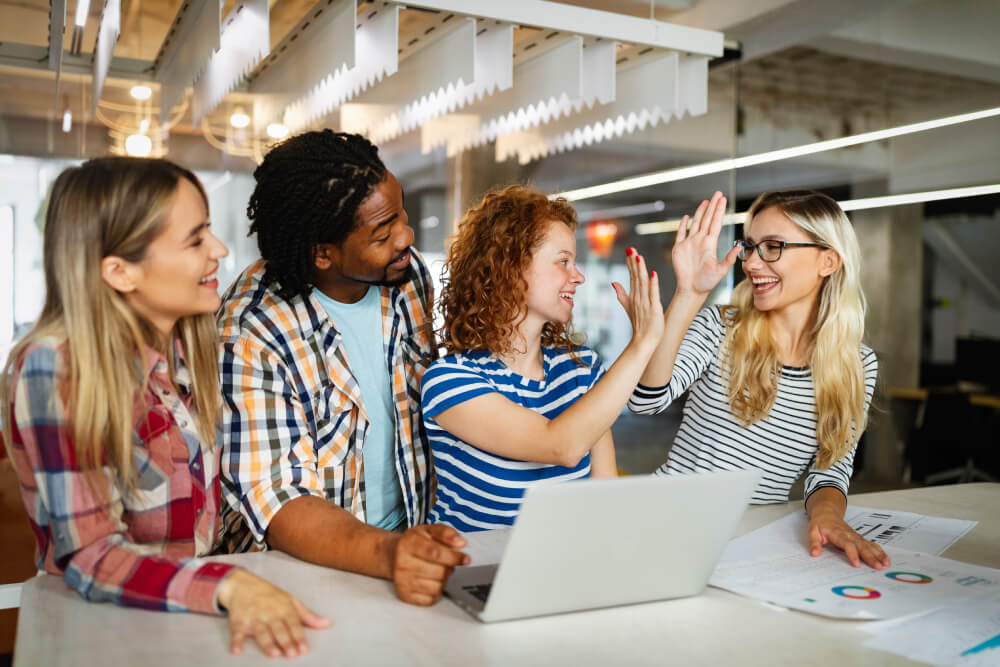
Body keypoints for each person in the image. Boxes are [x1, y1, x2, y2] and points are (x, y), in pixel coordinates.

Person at [0, 157, 329, 659]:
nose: (219, 251)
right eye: (195, 240)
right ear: (119, 271)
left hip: (186, 620)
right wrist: (231, 585)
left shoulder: (187, 344)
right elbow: (91, 557)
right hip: (102, 633)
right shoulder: (55, 366)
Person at [217, 130, 468, 606]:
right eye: (383, 232)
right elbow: (281, 500)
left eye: (402, 216)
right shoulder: (252, 332)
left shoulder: (405, 276)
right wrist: (389, 553)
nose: (406, 237)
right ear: (321, 253)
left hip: (406, 550)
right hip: (302, 576)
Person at [628, 190, 889, 569]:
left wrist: (828, 515)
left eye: (773, 246)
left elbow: (831, 471)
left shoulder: (856, 364)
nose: (751, 262)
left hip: (749, 540)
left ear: (828, 261)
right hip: (663, 521)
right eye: (750, 246)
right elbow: (645, 400)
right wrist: (689, 293)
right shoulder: (721, 328)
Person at [420, 185, 664, 532]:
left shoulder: (580, 369)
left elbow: (604, 497)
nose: (577, 276)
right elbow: (560, 445)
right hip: (478, 574)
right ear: (511, 268)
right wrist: (642, 343)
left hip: (564, 570)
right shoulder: (449, 382)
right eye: (563, 261)